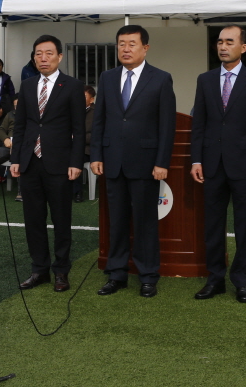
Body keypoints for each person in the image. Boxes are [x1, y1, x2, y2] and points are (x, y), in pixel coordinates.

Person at [90, 25, 176, 298]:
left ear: (145, 48)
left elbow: (167, 125)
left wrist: (162, 161)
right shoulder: (107, 77)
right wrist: (96, 155)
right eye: (121, 44)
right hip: (112, 161)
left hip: (146, 162)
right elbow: (99, 118)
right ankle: (116, 274)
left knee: (145, 222)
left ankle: (148, 275)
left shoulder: (161, 79)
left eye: (131, 44)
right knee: (116, 221)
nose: (125, 49)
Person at [190, 25, 246, 304]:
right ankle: (215, 279)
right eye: (220, 41)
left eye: (229, 42)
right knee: (212, 225)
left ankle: (242, 282)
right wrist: (196, 159)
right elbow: (198, 123)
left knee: (243, 224)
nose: (223, 46)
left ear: (243, 48)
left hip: (244, 165)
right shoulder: (205, 79)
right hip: (211, 165)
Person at [10, 35, 86, 294]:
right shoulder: (28, 85)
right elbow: (20, 126)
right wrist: (16, 159)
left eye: (49, 53)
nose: (43, 58)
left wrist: (77, 162)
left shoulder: (73, 86)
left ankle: (61, 271)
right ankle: (39, 269)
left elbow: (79, 128)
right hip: (31, 162)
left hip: (60, 163)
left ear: (60, 57)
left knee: (61, 219)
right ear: (34, 57)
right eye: (38, 54)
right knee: (33, 219)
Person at [73, 85, 96, 204]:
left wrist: (77, 138)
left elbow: (97, 135)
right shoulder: (72, 110)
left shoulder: (96, 113)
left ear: (91, 99)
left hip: (88, 149)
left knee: (76, 157)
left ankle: (77, 192)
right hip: (70, 145)